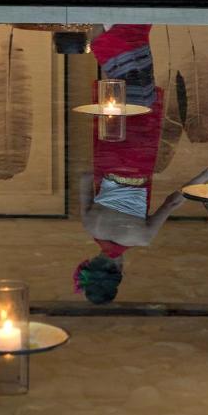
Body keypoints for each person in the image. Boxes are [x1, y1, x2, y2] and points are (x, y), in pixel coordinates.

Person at [74, 23, 191, 303]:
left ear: (120, 271)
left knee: (141, 88)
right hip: (111, 153)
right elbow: (85, 178)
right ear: (90, 264)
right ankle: (104, 28)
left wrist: (205, 180)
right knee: (117, 92)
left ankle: (123, 28)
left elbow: (173, 202)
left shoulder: (142, 238)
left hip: (139, 159)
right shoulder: (91, 226)